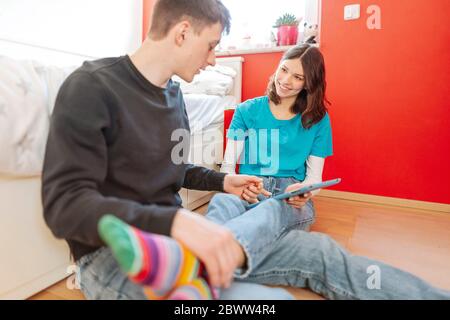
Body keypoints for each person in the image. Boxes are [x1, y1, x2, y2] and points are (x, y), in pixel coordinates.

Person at [43, 0, 450, 299]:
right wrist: (177, 224)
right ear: (183, 32)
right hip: (119, 257)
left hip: (185, 244)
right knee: (270, 304)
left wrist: (225, 180)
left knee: (324, 254)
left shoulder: (172, 96)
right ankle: (201, 265)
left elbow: (174, 168)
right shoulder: (92, 86)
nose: (214, 58)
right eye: (211, 45)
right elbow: (64, 206)